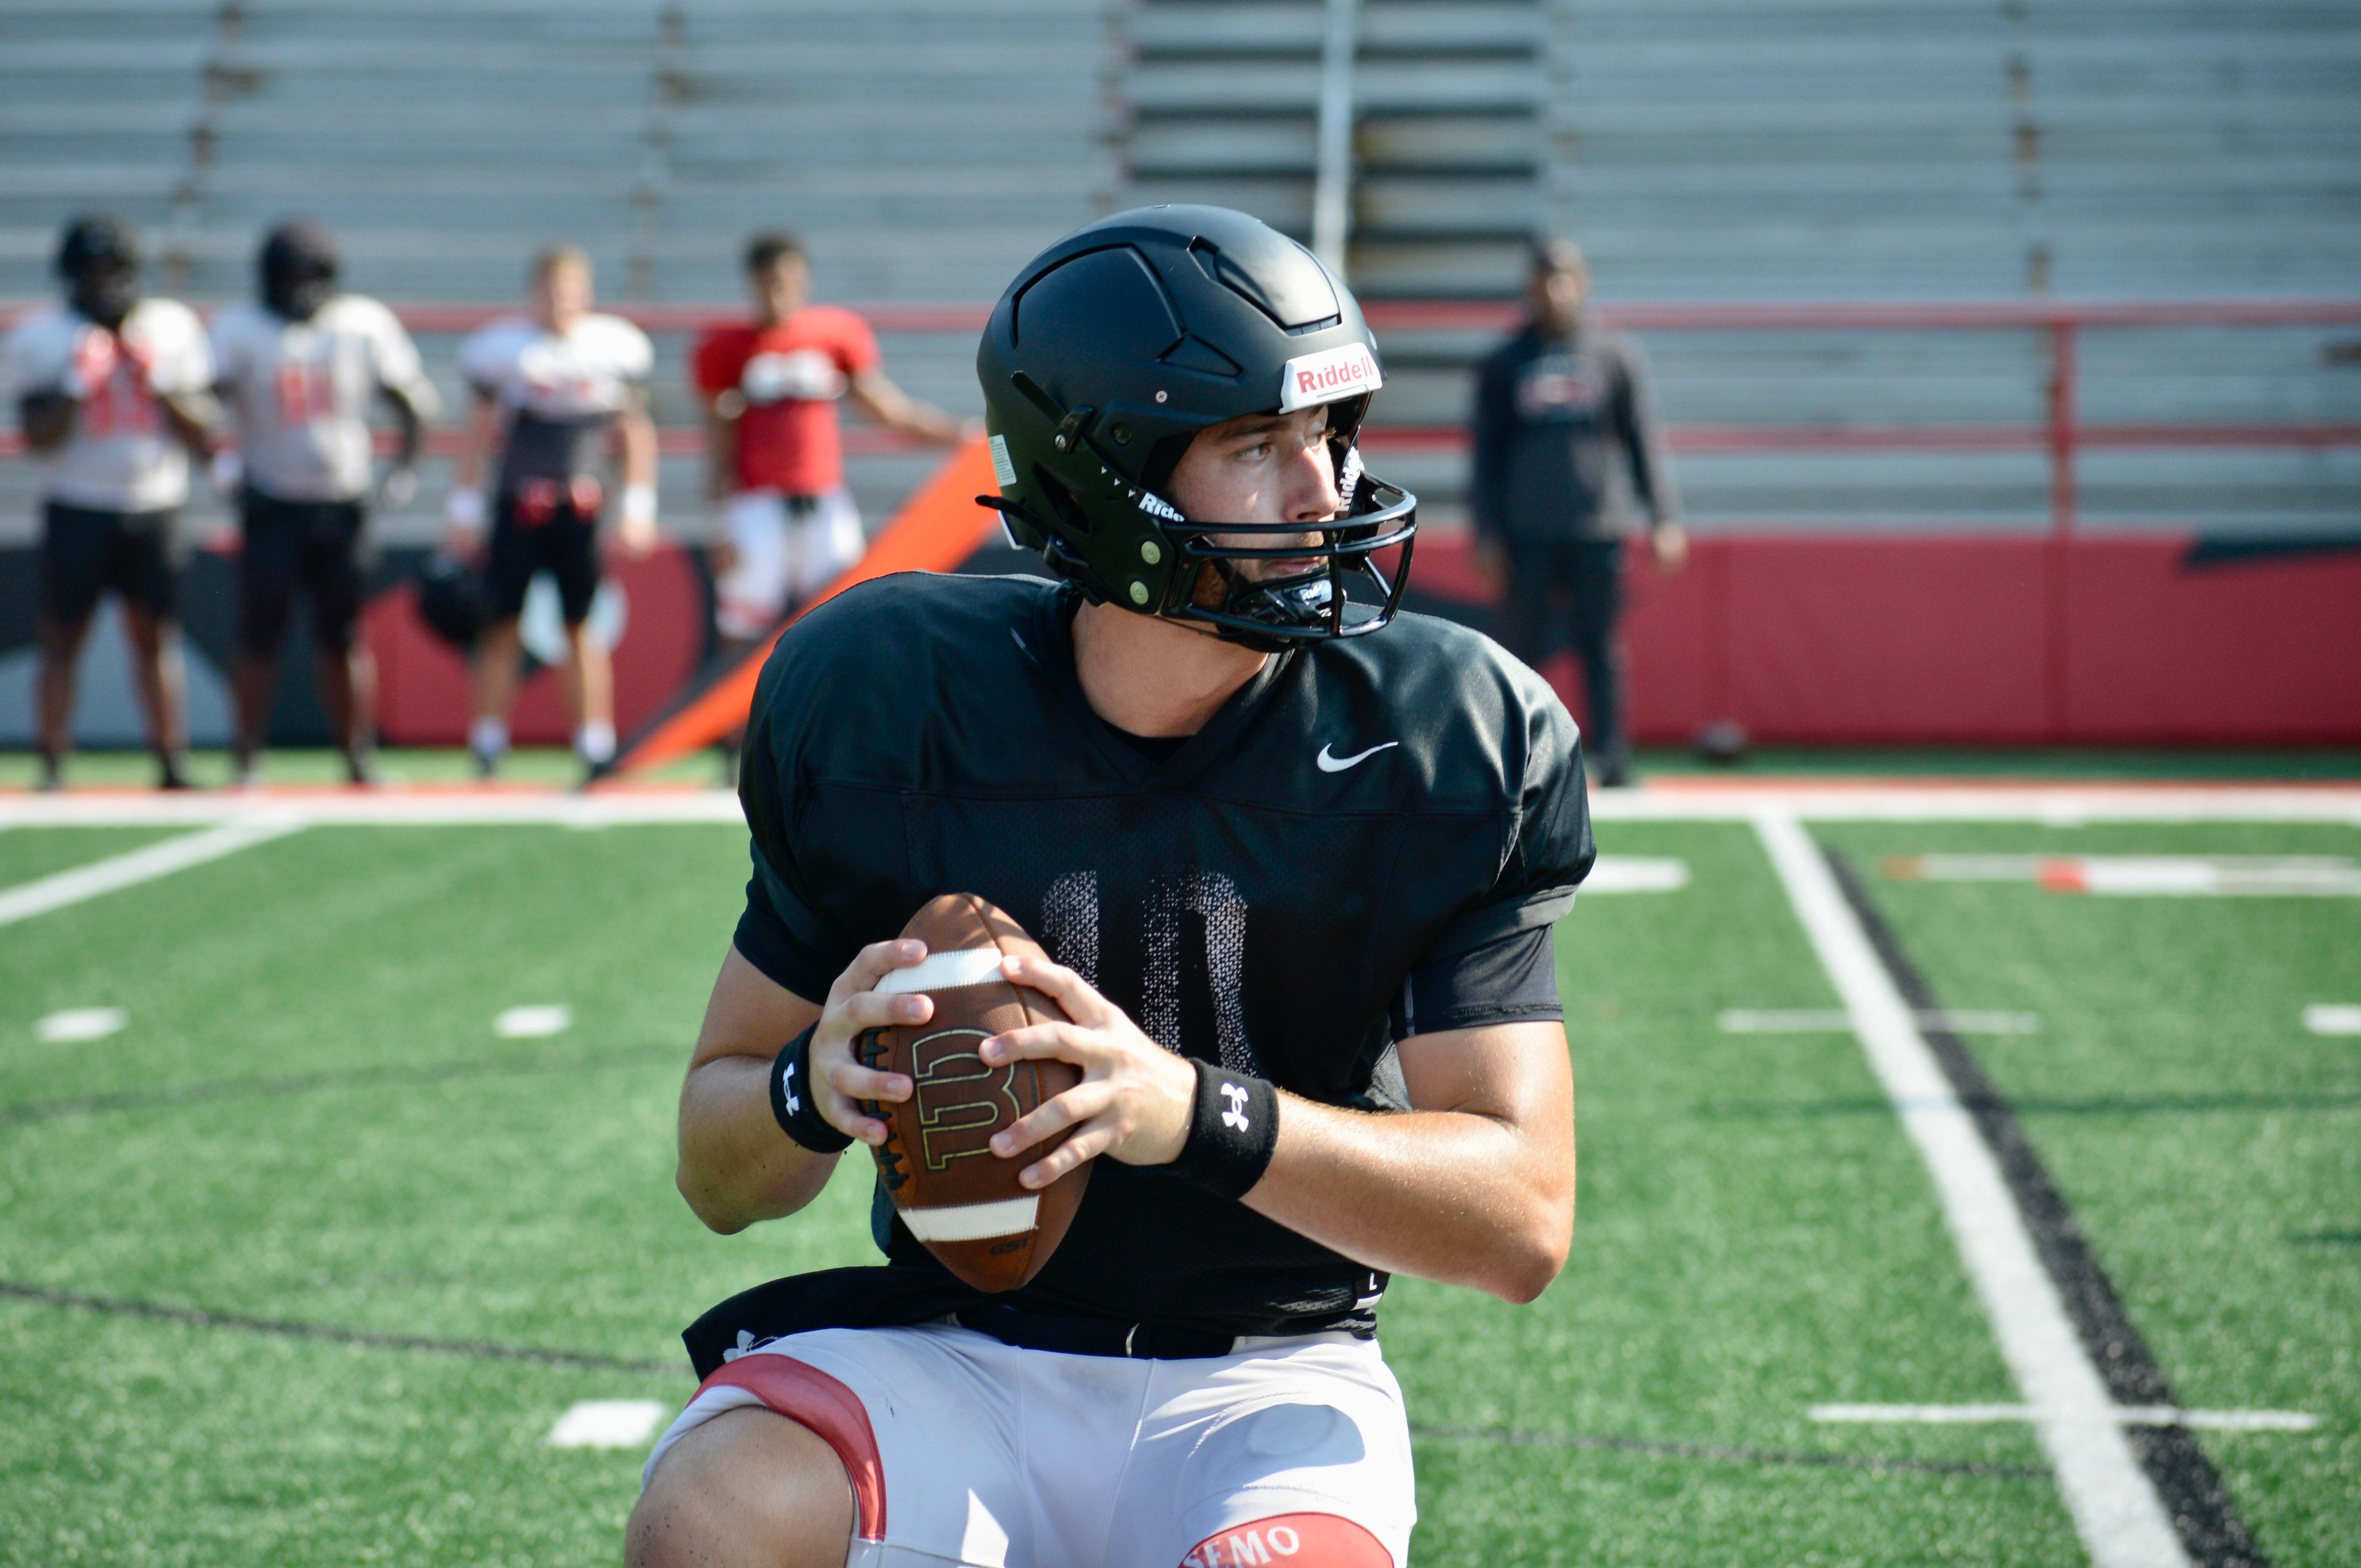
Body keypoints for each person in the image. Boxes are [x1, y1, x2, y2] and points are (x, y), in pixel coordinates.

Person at [627, 206, 1591, 1568]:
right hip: (958, 1355)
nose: (1323, 492)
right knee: (713, 1514)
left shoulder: (1442, 735)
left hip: (1270, 1379)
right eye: (1256, 445)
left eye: (1327, 434)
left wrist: (1188, 1111)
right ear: (1102, 481)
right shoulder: (898, 704)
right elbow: (715, 1167)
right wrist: (809, 1085)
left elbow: (1521, 1218)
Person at [210, 220, 438, 786]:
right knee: (260, 632)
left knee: (345, 634)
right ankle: (244, 761)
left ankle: (357, 758)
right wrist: (220, 464)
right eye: (288, 278)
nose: (298, 291)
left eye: (308, 277)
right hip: (272, 499)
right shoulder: (239, 329)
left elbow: (413, 402)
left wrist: (403, 472)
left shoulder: (362, 323)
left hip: (342, 501)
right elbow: (195, 399)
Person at [4, 215, 215, 790]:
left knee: (156, 638)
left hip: (154, 503)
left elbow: (202, 434)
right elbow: (37, 437)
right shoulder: (41, 337)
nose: (105, 286)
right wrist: (77, 384)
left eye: (114, 272)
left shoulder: (170, 329)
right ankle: (52, 763)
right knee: (61, 639)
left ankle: (172, 760)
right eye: (92, 274)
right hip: (78, 503)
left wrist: (163, 380)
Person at [1470, 237, 1684, 788]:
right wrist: (1487, 532)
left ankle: (1614, 759)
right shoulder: (1503, 363)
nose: (1555, 289)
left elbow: (1641, 442)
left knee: (1600, 648)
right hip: (1526, 532)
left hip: (1598, 526)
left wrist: (1663, 517)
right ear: (1530, 286)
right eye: (1545, 277)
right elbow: (1485, 456)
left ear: (1582, 284)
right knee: (1521, 656)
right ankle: (1521, 763)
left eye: (1565, 277)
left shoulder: (1614, 355)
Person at [690, 231, 968, 654]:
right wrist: (717, 525)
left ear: (806, 281)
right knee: (743, 629)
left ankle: (838, 719)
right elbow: (718, 441)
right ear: (753, 283)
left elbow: (888, 410)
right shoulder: (727, 347)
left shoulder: (835, 333)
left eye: (790, 280)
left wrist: (960, 435)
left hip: (823, 499)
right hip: (756, 503)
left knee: (848, 616)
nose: (781, 292)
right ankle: (746, 723)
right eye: (770, 281)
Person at [445, 245, 657, 777]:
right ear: (532, 296)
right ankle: (488, 741)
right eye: (550, 291)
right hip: (519, 506)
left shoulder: (610, 349)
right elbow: (479, 433)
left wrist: (638, 504)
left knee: (583, 627)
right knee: (502, 625)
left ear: (585, 296)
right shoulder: (507, 351)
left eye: (569, 291)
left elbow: (634, 432)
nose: (560, 303)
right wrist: (464, 506)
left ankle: (594, 742)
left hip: (581, 510)